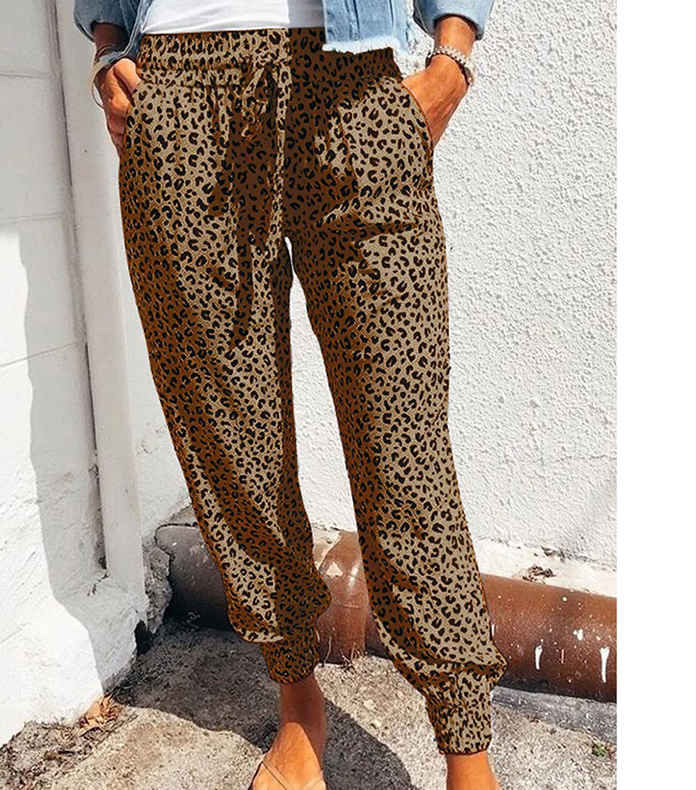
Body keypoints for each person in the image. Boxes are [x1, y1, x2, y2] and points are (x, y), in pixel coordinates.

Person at [73, 2, 508, 788]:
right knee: (230, 438)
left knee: (402, 439)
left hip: (351, 87)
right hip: (181, 93)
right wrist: (108, 45)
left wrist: (453, 58)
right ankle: (299, 703)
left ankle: (466, 745)